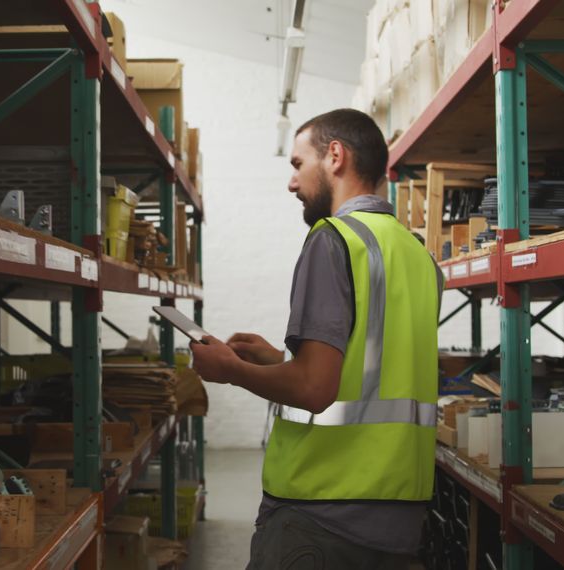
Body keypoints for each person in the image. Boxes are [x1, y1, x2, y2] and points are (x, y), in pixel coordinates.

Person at [190, 108, 443, 569]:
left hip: (323, 511)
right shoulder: (416, 255)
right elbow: (370, 367)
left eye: (296, 164)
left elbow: (314, 389)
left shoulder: (334, 240)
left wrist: (232, 371)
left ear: (335, 156)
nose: (292, 183)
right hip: (399, 517)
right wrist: (274, 359)